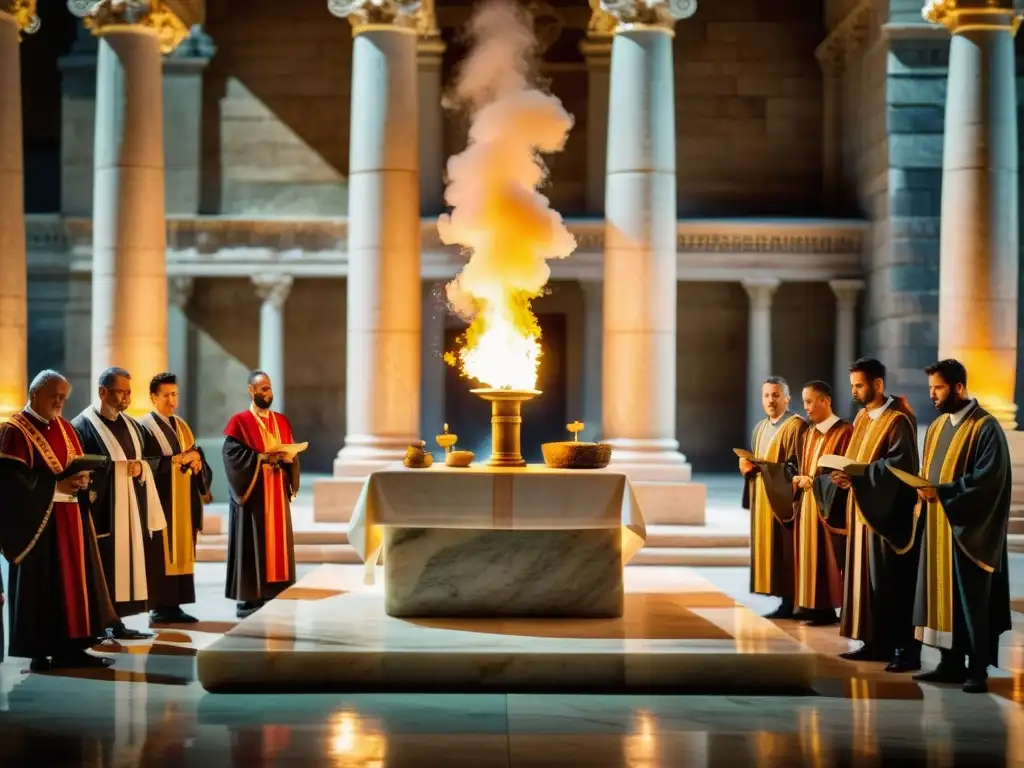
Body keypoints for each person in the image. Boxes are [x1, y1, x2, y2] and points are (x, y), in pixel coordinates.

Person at [0, 370, 117, 670]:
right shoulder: (15, 430)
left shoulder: (65, 427)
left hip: (71, 521)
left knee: (73, 586)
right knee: (43, 587)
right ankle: (40, 651)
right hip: (38, 525)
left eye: (64, 397)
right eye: (55, 396)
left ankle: (72, 647)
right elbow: (11, 482)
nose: (60, 402)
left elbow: (74, 465)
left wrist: (83, 479)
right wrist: (54, 487)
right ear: (34, 394)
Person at [911, 359, 1011, 693]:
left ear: (958, 387)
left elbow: (988, 480)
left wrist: (944, 493)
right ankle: (949, 662)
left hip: (969, 530)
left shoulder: (985, 427)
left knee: (971, 600)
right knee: (941, 597)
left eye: (938, 388)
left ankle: (977, 669)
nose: (932, 396)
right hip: (938, 528)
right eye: (930, 389)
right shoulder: (938, 427)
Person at [815, 357, 921, 672]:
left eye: (859, 385)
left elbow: (901, 468)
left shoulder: (898, 420)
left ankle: (903, 648)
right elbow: (855, 460)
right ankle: (872, 642)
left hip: (885, 516)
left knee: (889, 581)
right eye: (852, 386)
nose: (855, 391)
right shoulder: (861, 417)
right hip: (859, 512)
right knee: (863, 579)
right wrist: (841, 476)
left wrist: (859, 477)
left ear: (877, 384)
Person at [72, 367, 167, 640]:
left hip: (131, 510)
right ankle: (97, 622)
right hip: (101, 513)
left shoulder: (134, 426)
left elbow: (152, 460)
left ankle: (116, 620)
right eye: (120, 392)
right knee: (102, 568)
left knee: (125, 567)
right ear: (102, 392)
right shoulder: (81, 427)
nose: (126, 398)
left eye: (128, 392)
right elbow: (80, 467)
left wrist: (141, 469)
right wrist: (115, 471)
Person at [223, 370, 299, 619]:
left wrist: (288, 458)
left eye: (269, 388)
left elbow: (290, 453)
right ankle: (250, 598)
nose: (268, 393)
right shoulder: (241, 422)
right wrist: (260, 458)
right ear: (251, 391)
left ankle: (275, 592)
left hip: (276, 491)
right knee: (253, 543)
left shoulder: (281, 421)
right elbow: (232, 456)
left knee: (277, 545)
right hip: (254, 494)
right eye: (263, 388)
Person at [138, 372, 213, 625]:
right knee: (161, 553)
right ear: (153, 397)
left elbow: (194, 455)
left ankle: (175, 604)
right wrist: (176, 461)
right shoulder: (144, 427)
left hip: (183, 499)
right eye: (166, 395)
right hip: (161, 501)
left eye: (175, 395)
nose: (172, 401)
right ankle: (160, 606)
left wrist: (197, 463)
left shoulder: (181, 426)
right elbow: (143, 464)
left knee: (181, 552)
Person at [739, 376, 804, 619]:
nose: (771, 400)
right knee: (772, 552)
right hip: (764, 500)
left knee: (787, 551)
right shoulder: (760, 427)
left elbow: (798, 466)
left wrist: (765, 469)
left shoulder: (796, 426)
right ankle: (782, 599)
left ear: (787, 398)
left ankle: (793, 600)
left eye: (776, 395)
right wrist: (747, 467)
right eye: (766, 395)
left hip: (786, 501)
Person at [790, 380, 853, 626]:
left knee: (827, 556)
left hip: (830, 506)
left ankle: (828, 606)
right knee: (809, 551)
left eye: (809, 401)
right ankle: (812, 605)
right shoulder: (809, 433)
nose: (805, 407)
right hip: (807, 503)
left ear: (825, 401)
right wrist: (799, 479)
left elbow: (844, 473)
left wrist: (814, 482)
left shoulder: (845, 431)